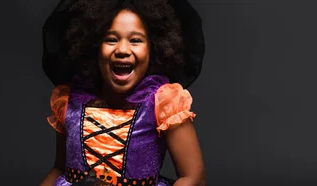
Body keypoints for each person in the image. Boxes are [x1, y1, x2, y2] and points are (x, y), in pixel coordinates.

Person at [39, 0, 206, 185]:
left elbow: (193, 177)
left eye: (135, 40)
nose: (123, 50)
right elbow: (59, 169)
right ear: (94, 47)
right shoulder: (70, 102)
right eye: (111, 39)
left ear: (155, 48)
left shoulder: (164, 103)